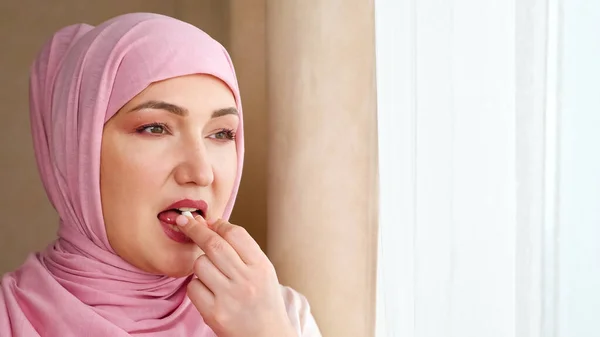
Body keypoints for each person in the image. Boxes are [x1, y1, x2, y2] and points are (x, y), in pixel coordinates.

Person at [0, 12, 321, 337]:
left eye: (222, 133)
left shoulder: (283, 318)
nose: (201, 172)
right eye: (155, 128)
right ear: (76, 150)